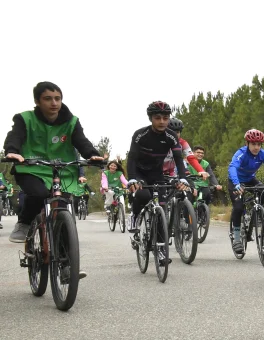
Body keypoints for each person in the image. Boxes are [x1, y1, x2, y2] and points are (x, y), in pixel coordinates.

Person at [3, 82, 104, 244]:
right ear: (37, 101)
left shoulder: (71, 122)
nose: (54, 103)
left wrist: (92, 155)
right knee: (38, 195)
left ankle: (66, 265)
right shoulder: (25, 119)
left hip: (62, 170)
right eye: (48, 99)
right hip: (31, 169)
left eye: (58, 98)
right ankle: (24, 222)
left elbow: (81, 141)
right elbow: (15, 136)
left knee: (63, 208)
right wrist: (12, 151)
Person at [126, 102, 192, 253]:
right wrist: (132, 178)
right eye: (157, 118)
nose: (162, 121)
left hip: (157, 174)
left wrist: (182, 177)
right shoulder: (140, 134)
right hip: (139, 172)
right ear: (151, 118)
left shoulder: (171, 136)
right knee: (143, 195)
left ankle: (161, 249)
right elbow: (132, 158)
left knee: (161, 210)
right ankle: (135, 215)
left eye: (165, 118)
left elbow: (178, 157)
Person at [227, 129, 264, 252]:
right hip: (235, 181)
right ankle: (236, 238)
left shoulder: (262, 154)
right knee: (238, 208)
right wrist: (236, 184)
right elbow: (232, 168)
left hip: (250, 179)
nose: (256, 147)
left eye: (259, 144)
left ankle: (255, 211)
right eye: (253, 144)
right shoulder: (241, 153)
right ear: (247, 144)